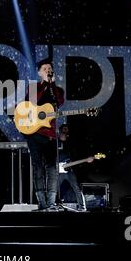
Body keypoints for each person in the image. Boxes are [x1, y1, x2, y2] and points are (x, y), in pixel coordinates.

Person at [24, 59, 64, 211]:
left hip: (50, 135)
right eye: (45, 68)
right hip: (34, 132)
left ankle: (52, 202)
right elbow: (33, 101)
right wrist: (46, 84)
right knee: (37, 167)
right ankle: (42, 202)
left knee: (52, 168)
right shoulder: (34, 87)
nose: (48, 70)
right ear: (40, 72)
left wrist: (52, 85)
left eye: (50, 68)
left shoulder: (58, 90)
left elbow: (59, 102)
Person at [57, 124, 88, 211]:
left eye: (66, 129)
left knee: (76, 188)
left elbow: (75, 154)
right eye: (64, 129)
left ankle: (82, 207)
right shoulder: (56, 142)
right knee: (53, 189)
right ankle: (54, 204)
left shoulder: (71, 142)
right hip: (58, 169)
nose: (65, 131)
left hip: (68, 169)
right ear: (60, 131)